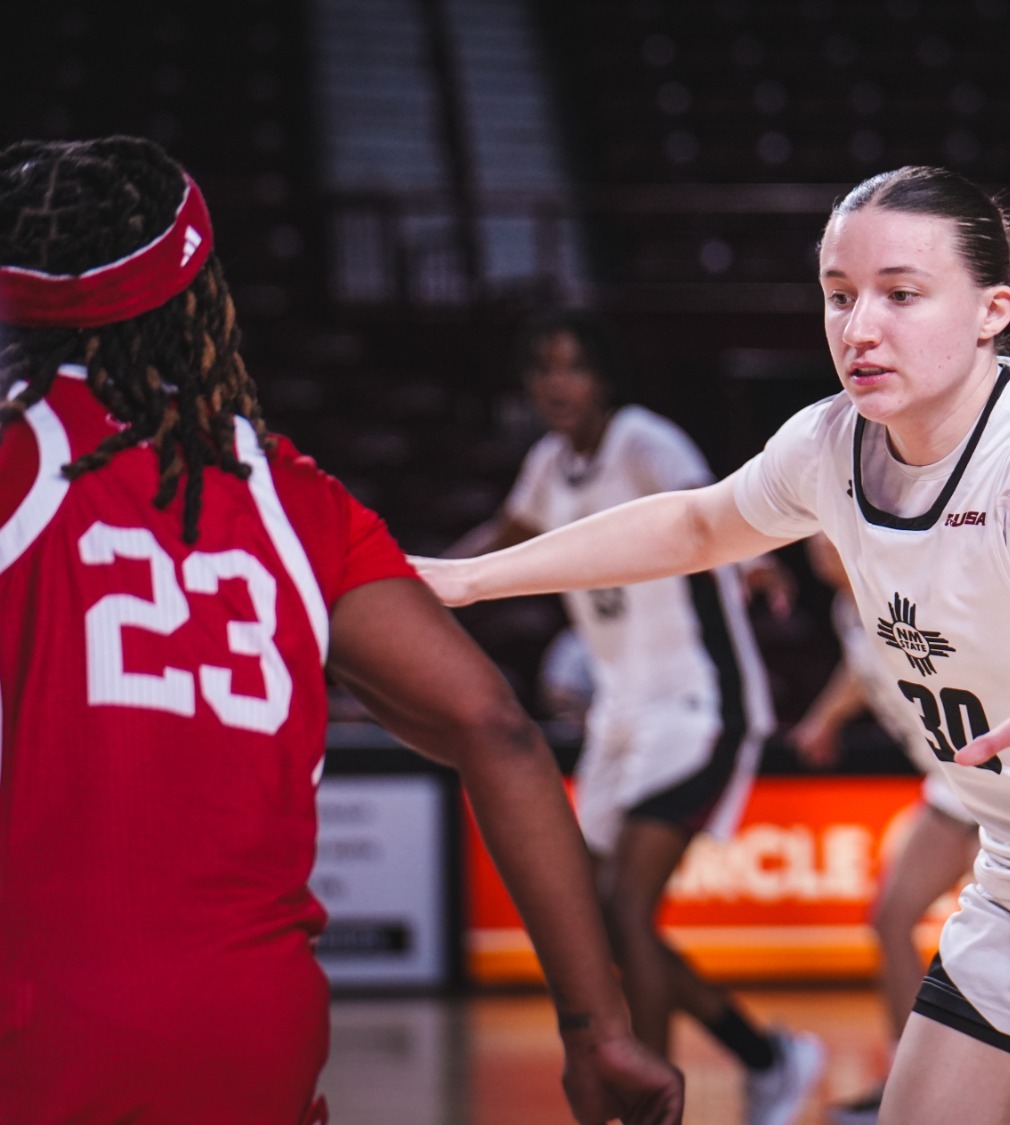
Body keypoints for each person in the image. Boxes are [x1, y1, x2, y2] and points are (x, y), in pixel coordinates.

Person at [413, 165, 1010, 1125]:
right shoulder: (829, 445)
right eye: (839, 295)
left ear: (992, 310)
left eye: (901, 295)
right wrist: (467, 578)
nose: (859, 328)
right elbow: (695, 526)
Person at [0, 136, 682, 1124]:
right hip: (254, 1039)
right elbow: (496, 731)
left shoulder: (21, 466)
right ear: (200, 298)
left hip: (41, 1026)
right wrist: (597, 1031)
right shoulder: (289, 496)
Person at [452, 309, 819, 1125]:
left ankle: (654, 1105)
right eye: (544, 367)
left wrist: (756, 565)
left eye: (573, 365)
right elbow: (505, 537)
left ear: (604, 377)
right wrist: (424, 581)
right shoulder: (548, 465)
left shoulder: (645, 440)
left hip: (698, 703)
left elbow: (711, 508)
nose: (557, 383)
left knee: (624, 911)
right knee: (597, 915)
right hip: (620, 714)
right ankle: (766, 1054)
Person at [789, 533, 981, 1125]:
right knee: (893, 916)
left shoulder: (905, 591)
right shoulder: (848, 605)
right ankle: (907, 1077)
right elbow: (859, 664)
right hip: (951, 787)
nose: (819, 544)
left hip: (991, 784)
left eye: (829, 531)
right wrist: (825, 718)